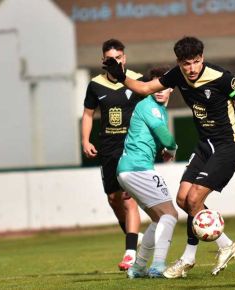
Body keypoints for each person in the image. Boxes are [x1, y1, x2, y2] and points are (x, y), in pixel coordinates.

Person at [102, 36, 235, 277]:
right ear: (179, 62)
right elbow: (144, 88)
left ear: (202, 58)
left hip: (227, 144)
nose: (192, 68)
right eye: (186, 63)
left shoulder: (222, 77)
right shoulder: (177, 75)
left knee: (194, 200)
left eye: (196, 62)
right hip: (205, 145)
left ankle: (187, 258)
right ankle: (225, 244)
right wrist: (120, 76)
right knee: (183, 200)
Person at [81, 39, 144, 271]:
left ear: (124, 59)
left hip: (131, 149)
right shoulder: (95, 85)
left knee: (128, 199)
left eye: (119, 58)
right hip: (107, 149)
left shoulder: (136, 80)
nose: (115, 62)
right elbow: (88, 114)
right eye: (110, 59)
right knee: (113, 200)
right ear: (103, 61)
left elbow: (151, 109)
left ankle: (130, 252)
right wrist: (85, 140)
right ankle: (134, 236)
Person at [117, 66, 178, 278]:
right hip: (137, 169)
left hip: (130, 170)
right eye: (155, 87)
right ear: (149, 88)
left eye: (164, 86)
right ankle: (158, 266)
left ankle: (139, 268)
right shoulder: (150, 107)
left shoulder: (155, 108)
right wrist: (171, 149)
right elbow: (167, 138)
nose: (159, 91)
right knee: (170, 214)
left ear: (171, 89)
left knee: (157, 218)